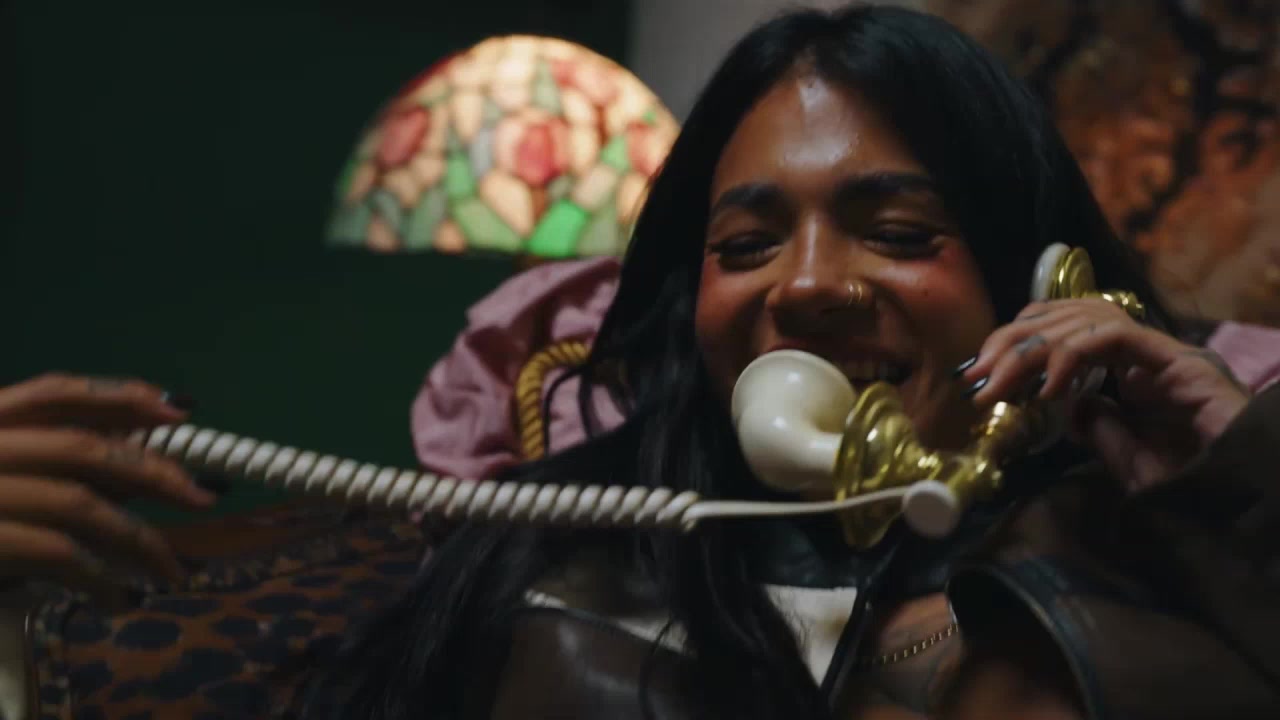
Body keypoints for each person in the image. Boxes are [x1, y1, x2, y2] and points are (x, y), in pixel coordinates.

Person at [3, 5, 1278, 720]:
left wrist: (1238, 485)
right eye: (744, 245)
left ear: (1038, 287)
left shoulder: (1164, 554)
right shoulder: (544, 565)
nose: (806, 285)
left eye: (896, 233)